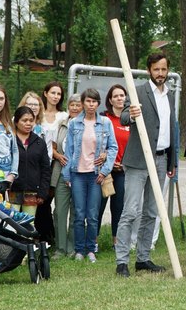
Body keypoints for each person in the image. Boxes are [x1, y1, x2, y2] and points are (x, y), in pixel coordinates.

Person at [115, 54, 176, 277]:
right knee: (131, 211)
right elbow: (122, 117)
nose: (160, 73)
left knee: (152, 211)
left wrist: (172, 160)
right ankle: (122, 261)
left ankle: (143, 258)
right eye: (156, 69)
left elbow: (172, 128)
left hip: (161, 160)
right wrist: (130, 115)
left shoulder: (170, 95)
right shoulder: (138, 91)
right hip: (139, 160)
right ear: (149, 70)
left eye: (163, 69)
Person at [62, 88, 117, 263]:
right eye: (88, 101)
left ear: (98, 103)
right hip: (78, 174)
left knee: (93, 215)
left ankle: (91, 249)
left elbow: (113, 147)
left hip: (96, 175)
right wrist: (67, 175)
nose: (91, 105)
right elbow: (69, 151)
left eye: (94, 102)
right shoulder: (74, 124)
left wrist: (105, 169)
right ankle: (79, 249)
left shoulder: (105, 123)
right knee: (79, 214)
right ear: (83, 103)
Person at [10, 106, 52, 239]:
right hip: (13, 189)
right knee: (11, 224)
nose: (28, 123)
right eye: (24, 120)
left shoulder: (39, 142)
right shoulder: (9, 139)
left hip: (32, 191)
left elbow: (46, 168)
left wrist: (43, 191)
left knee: (29, 223)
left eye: (31, 120)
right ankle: (10, 255)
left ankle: (26, 255)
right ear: (16, 122)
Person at [51, 94, 81, 260]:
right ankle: (60, 248)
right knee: (60, 211)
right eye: (72, 105)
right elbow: (52, 146)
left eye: (78, 105)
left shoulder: (86, 124)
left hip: (80, 173)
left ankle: (72, 247)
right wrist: (57, 156)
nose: (75, 108)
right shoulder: (61, 124)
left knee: (77, 211)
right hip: (62, 171)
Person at [98, 84, 128, 251]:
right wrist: (108, 161)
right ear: (110, 100)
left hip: (123, 171)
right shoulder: (104, 119)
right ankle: (93, 242)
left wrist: (124, 163)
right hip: (106, 170)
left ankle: (116, 242)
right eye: (115, 96)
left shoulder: (130, 118)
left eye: (122, 95)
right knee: (99, 206)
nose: (119, 98)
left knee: (119, 208)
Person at [42, 81, 68, 160]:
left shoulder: (64, 116)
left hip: (58, 160)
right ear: (45, 94)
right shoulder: (38, 114)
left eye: (59, 94)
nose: (56, 96)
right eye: (53, 93)